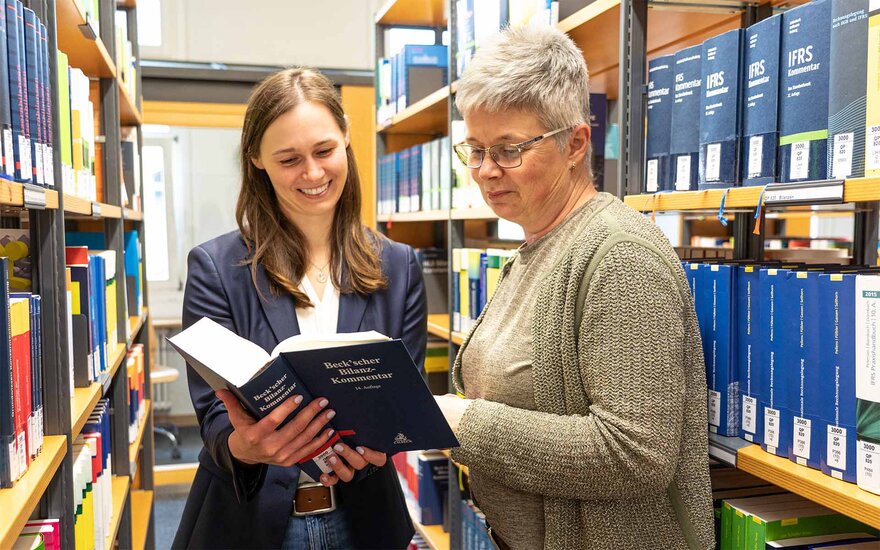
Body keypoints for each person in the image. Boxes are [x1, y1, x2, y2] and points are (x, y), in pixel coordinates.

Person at [434, 25, 714, 549]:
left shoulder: (622, 257)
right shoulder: (538, 243)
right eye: (473, 149)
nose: (486, 171)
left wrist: (462, 423)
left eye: (508, 149)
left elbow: (636, 455)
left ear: (575, 143)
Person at [172, 68, 427, 550]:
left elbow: (402, 400)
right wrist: (244, 447)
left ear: (347, 138)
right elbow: (213, 419)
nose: (312, 174)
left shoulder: (399, 265)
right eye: (288, 159)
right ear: (257, 160)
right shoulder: (216, 268)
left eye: (325, 151)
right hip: (252, 523)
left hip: (365, 519)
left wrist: (379, 447)